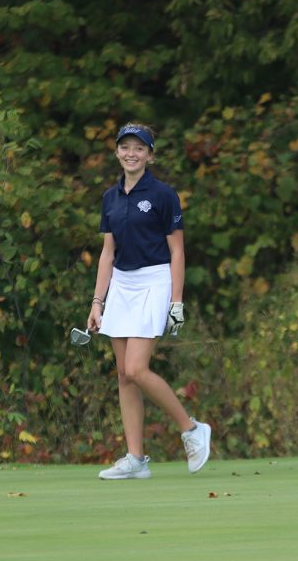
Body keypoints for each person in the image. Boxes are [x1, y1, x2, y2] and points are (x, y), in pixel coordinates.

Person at [87, 122, 211, 480]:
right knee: (124, 376)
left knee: (137, 369)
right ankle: (136, 458)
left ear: (150, 155)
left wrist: (177, 301)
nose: (131, 153)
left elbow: (177, 250)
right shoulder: (110, 197)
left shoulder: (163, 194)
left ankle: (191, 429)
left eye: (139, 148)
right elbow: (107, 253)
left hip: (155, 280)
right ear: (117, 152)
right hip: (121, 285)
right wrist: (98, 302)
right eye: (125, 147)